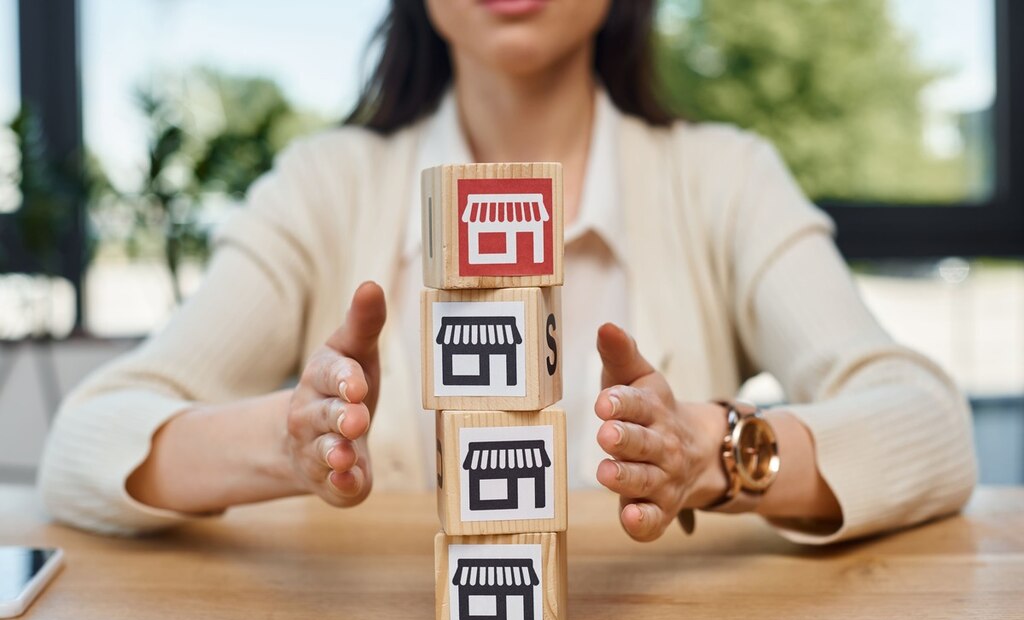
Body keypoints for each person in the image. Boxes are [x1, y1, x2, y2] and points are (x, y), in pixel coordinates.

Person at [39, 0, 976, 543]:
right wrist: (286, 444)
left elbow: (931, 429)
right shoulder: (325, 188)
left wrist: (716, 450)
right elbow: (84, 443)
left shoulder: (724, 178)